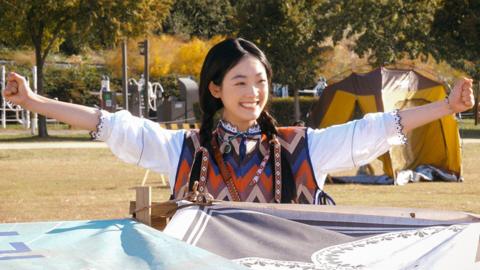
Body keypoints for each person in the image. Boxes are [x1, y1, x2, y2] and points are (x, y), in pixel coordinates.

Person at [3, 38, 474, 204]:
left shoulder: (298, 146)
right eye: (241, 83)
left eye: (261, 81)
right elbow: (108, 123)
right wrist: (36, 101)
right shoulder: (183, 149)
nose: (254, 93)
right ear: (215, 88)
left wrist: (446, 109)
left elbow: (376, 129)